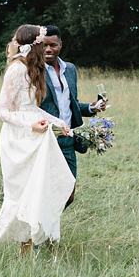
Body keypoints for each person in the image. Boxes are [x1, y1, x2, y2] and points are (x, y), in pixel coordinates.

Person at [0, 24, 75, 251]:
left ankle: (36, 240)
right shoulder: (16, 69)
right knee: (20, 193)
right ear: (35, 44)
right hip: (17, 139)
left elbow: (32, 108)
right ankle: (3, 242)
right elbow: (1, 111)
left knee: (42, 187)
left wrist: (58, 122)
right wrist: (30, 124)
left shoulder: (33, 68)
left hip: (35, 136)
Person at [40, 25, 106, 209]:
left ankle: (48, 226)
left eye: (52, 45)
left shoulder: (70, 69)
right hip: (46, 140)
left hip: (68, 140)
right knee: (46, 190)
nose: (48, 49)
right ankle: (46, 233)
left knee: (68, 194)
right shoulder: (35, 70)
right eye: (44, 45)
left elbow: (72, 103)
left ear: (60, 45)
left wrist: (92, 107)